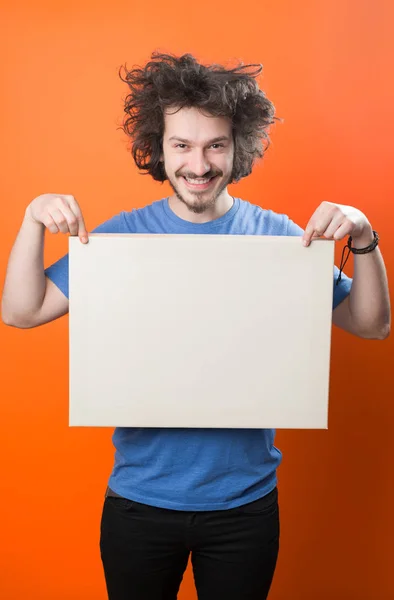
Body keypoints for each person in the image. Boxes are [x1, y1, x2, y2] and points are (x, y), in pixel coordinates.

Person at [1, 52, 390, 600]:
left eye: (215, 145)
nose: (199, 164)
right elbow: (21, 310)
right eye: (182, 145)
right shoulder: (121, 242)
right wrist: (30, 220)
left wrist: (365, 235)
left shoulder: (279, 239)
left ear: (239, 147)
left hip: (245, 507)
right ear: (159, 149)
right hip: (139, 502)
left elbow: (371, 325)